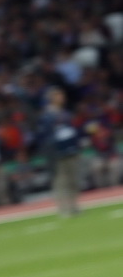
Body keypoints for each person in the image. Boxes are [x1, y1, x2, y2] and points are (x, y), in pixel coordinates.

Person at [37, 87, 83, 217]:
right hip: (56, 153)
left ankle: (74, 205)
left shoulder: (66, 113)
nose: (62, 98)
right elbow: (43, 136)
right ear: (52, 98)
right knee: (60, 181)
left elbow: (72, 130)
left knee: (73, 179)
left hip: (70, 150)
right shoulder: (46, 116)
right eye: (58, 95)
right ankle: (64, 208)